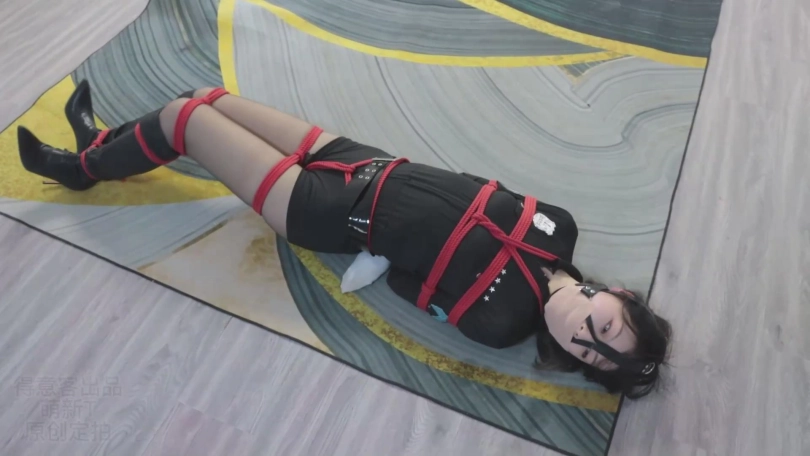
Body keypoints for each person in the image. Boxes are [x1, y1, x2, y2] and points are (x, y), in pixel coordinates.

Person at [16, 80, 672, 398]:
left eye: (589, 356)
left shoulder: (502, 323)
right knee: (205, 96)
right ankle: (103, 143)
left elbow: (411, 285)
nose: (581, 335)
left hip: (323, 211)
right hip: (367, 160)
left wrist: (381, 245)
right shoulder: (560, 226)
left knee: (186, 120)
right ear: (618, 295)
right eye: (605, 329)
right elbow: (473, 185)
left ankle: (82, 167)